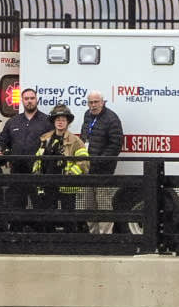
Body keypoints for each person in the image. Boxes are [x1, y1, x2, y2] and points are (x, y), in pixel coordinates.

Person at [0, 88, 52, 228]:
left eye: (32, 98)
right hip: (17, 170)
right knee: (16, 203)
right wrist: (7, 154)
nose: (29, 101)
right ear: (22, 101)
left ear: (37, 100)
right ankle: (16, 233)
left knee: (39, 203)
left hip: (38, 171)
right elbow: (3, 142)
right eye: (26, 98)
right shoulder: (13, 122)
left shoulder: (46, 121)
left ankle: (40, 234)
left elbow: (53, 144)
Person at [32, 104, 88, 229]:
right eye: (57, 119)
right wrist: (37, 175)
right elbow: (38, 159)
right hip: (47, 185)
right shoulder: (45, 139)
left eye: (63, 120)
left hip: (66, 187)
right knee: (47, 217)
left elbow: (83, 162)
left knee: (68, 218)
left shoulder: (76, 141)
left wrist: (70, 176)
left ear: (68, 122)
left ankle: (70, 245)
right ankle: (49, 243)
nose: (60, 122)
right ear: (53, 121)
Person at [79, 90, 124, 234]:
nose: (93, 105)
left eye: (96, 102)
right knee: (89, 205)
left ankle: (106, 236)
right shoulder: (87, 115)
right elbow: (83, 136)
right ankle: (93, 234)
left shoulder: (112, 118)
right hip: (87, 168)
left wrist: (99, 160)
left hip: (103, 169)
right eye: (90, 102)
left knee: (103, 203)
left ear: (103, 102)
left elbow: (115, 144)